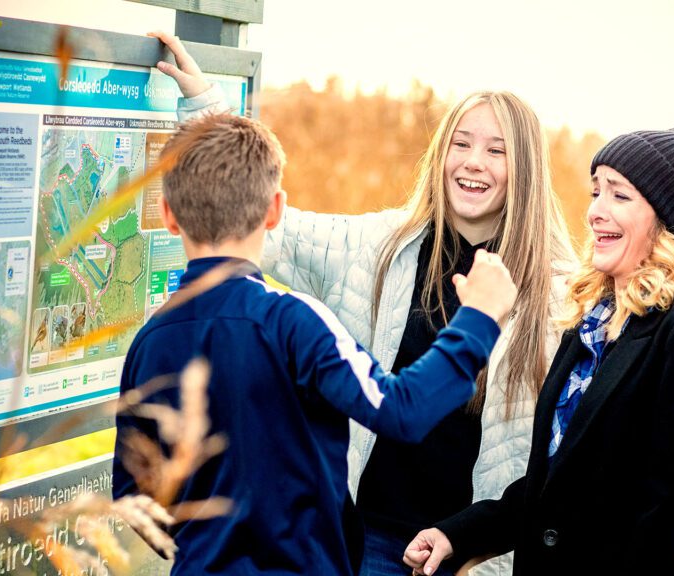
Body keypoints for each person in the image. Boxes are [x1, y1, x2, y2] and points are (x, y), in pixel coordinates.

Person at [150, 31, 576, 576]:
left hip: (475, 555)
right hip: (363, 539)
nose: (474, 163)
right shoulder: (378, 246)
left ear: (526, 170)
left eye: (497, 151)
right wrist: (205, 107)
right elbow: (263, 224)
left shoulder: (560, 291)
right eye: (461, 144)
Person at [111, 113, 518, 575]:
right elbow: (402, 410)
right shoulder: (296, 323)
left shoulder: (150, 340)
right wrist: (479, 320)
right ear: (275, 210)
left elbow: (135, 498)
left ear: (166, 214)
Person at [403, 125, 674, 575]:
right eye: (596, 192)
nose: (596, 211)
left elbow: (666, 512)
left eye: (619, 196)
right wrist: (458, 534)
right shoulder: (590, 322)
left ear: (666, 219)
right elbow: (555, 487)